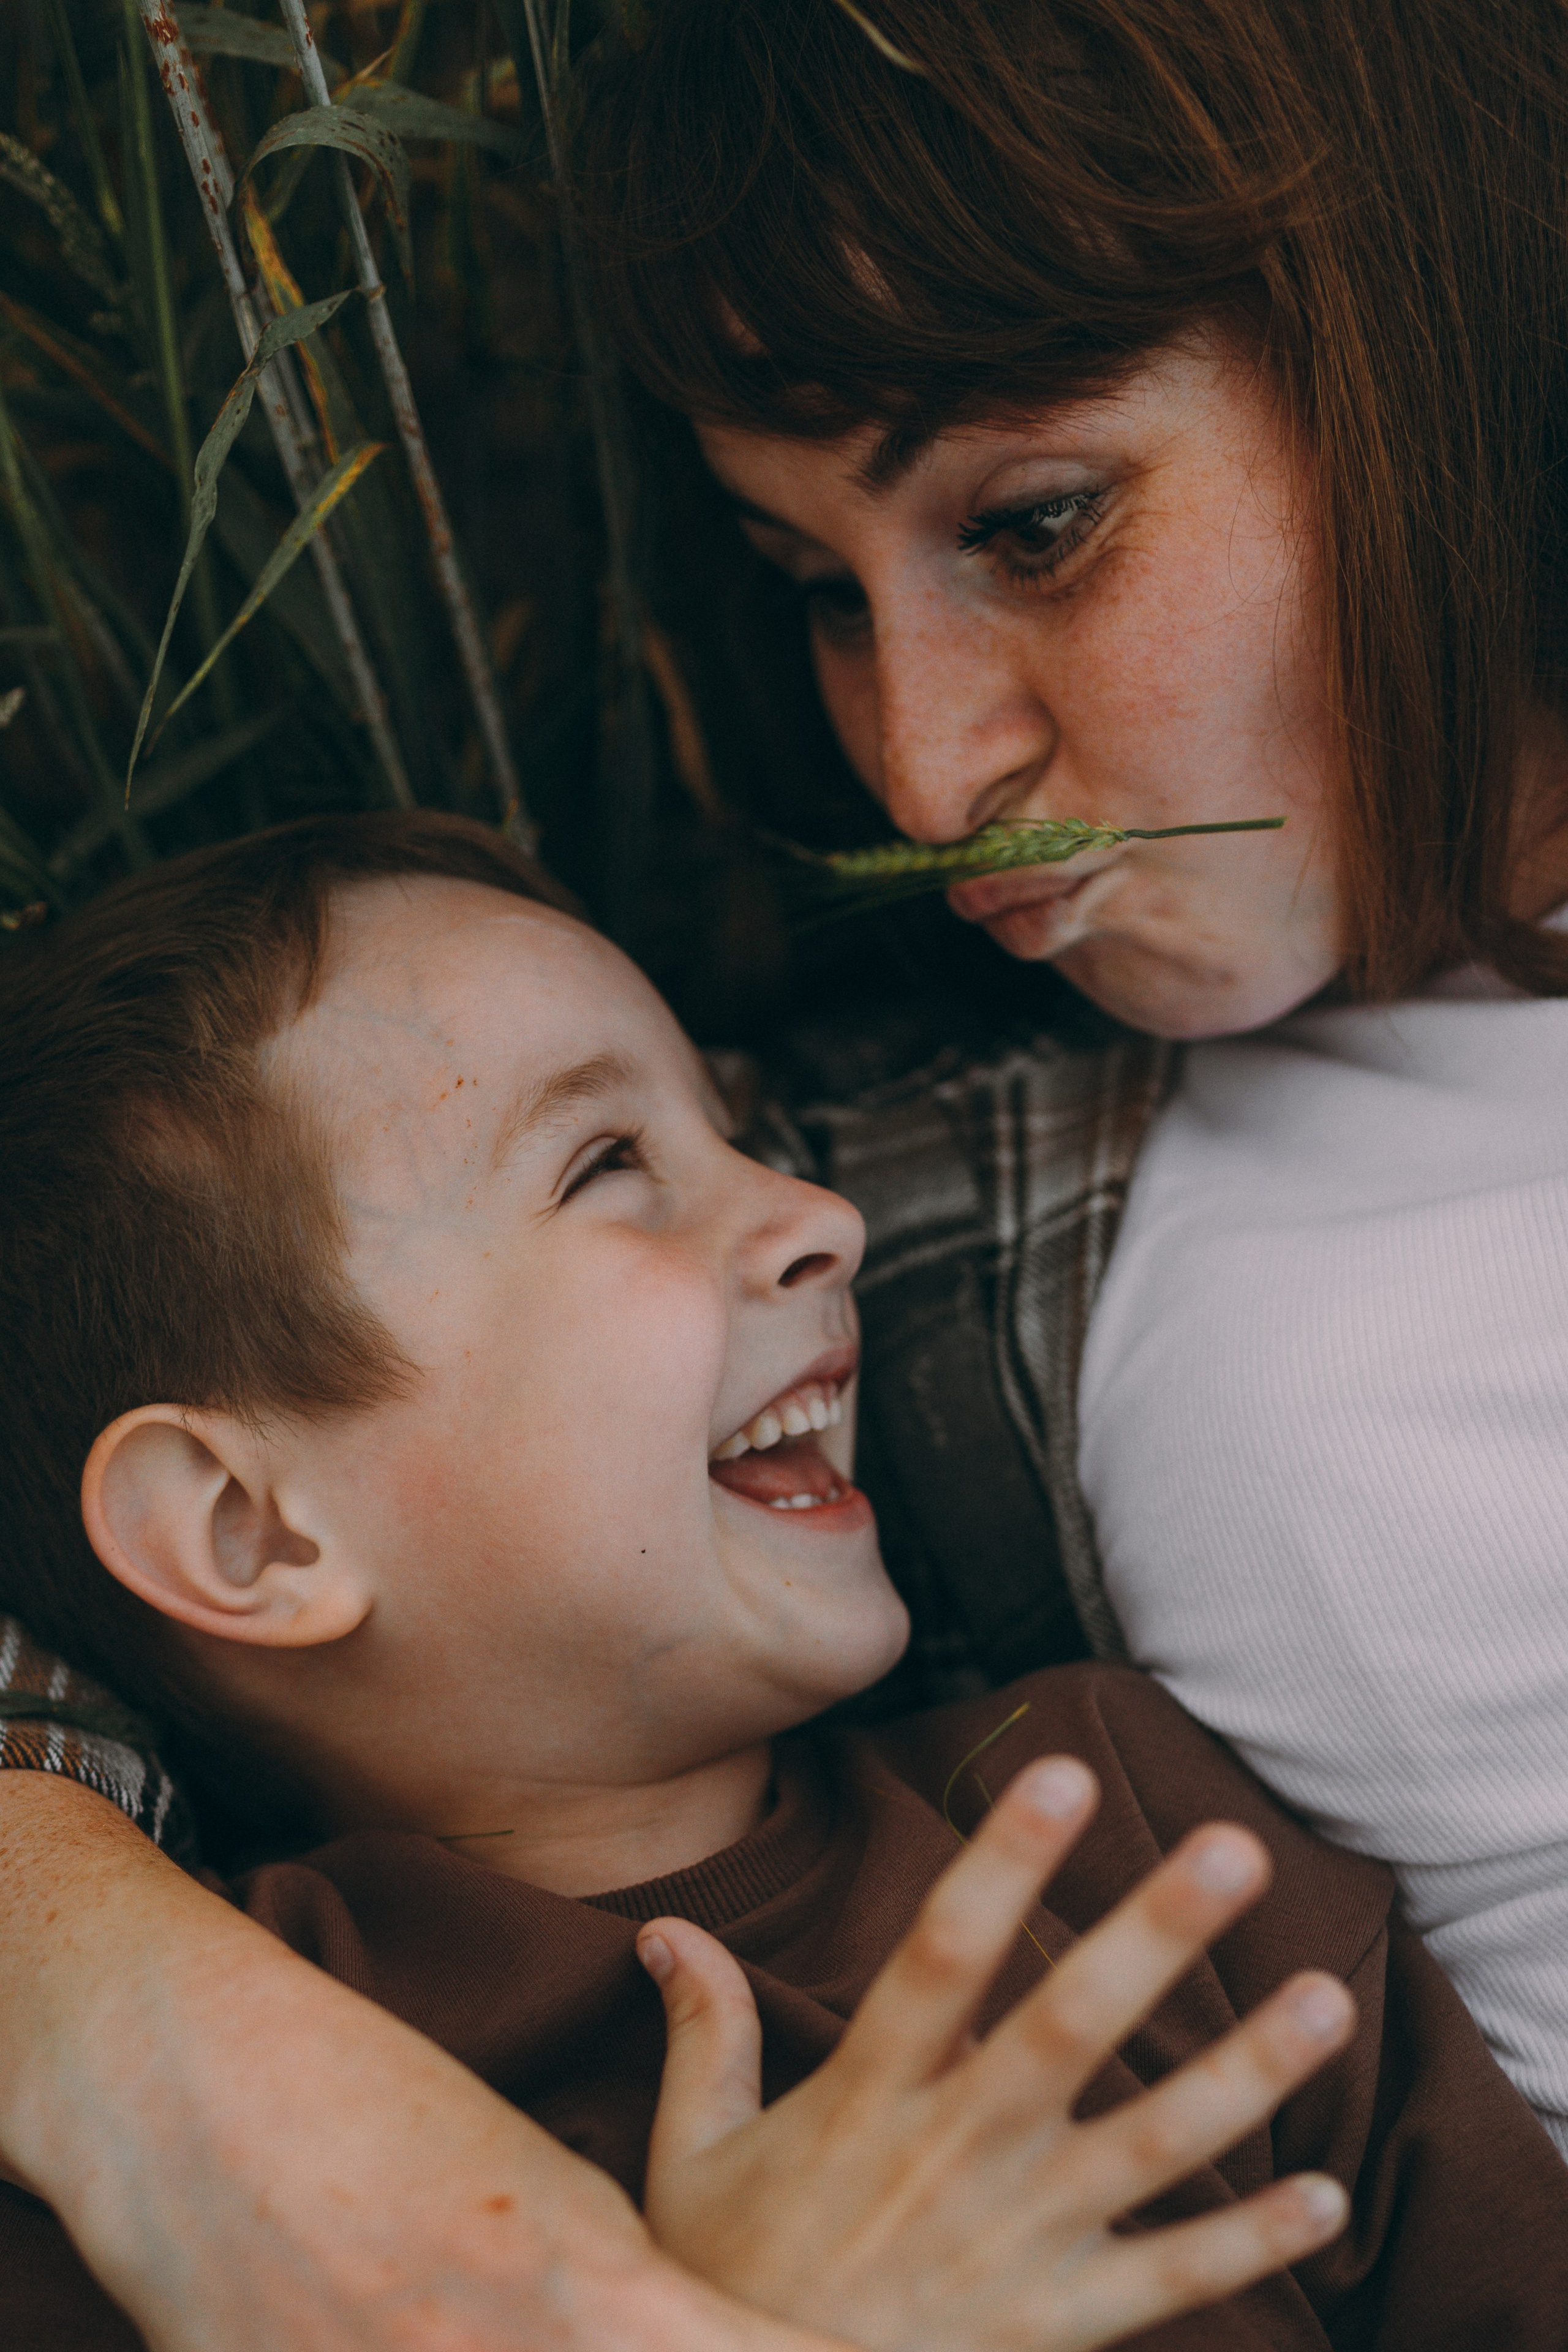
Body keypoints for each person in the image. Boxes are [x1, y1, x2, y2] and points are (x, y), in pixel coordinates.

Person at [1, 0, 1566, 2342]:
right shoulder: (1033, 1232)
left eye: (1038, 526)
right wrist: (129, 2023)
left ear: (1426, 348)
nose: (930, 778)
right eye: (815, 586)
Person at [10, 809, 1563, 2352]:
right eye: (604, 1164)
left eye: (730, 1131)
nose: (821, 1218)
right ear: (249, 1533)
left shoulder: (1125, 1829)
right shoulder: (138, 2163)